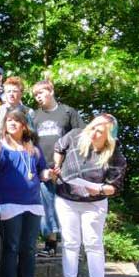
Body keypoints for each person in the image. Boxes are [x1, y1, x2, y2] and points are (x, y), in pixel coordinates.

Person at [53, 114, 126, 277]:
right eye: (92, 127)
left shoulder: (115, 155)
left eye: (99, 131)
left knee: (93, 243)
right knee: (70, 243)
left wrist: (99, 189)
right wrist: (57, 166)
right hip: (66, 198)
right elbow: (58, 147)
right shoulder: (75, 135)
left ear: (109, 136)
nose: (93, 133)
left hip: (94, 202)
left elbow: (115, 187)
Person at [0, 110, 50, 277]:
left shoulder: (33, 148)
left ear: (24, 126)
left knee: (29, 247)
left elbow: (41, 172)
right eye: (9, 120)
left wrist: (49, 174)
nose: (12, 123)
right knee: (11, 246)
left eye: (16, 121)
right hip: (8, 203)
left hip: (32, 203)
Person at [32, 80, 85, 257]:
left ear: (51, 91)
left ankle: (75, 246)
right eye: (35, 95)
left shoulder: (68, 112)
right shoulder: (34, 116)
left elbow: (81, 137)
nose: (38, 97)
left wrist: (67, 165)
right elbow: (30, 142)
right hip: (44, 169)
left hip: (67, 170)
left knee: (70, 207)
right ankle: (51, 245)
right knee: (47, 207)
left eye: (41, 92)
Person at [0, 76, 35, 145]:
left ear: (21, 93)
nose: (11, 94)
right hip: (1, 149)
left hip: (23, 149)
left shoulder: (28, 112)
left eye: (15, 91)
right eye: (8, 91)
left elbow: (32, 135)